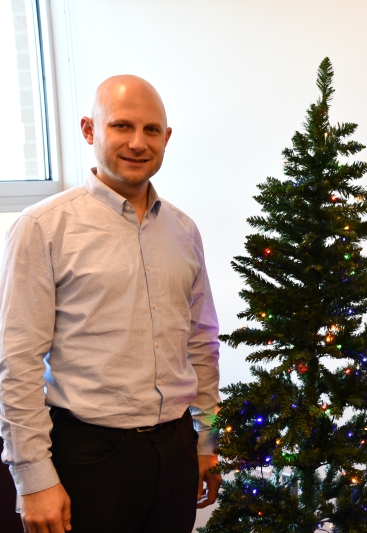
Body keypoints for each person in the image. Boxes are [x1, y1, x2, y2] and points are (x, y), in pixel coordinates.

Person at [0, 75, 222, 533]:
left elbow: (201, 342)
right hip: (90, 457)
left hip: (177, 448)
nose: (138, 143)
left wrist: (205, 441)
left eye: (151, 130)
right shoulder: (42, 227)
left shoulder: (184, 230)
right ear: (89, 130)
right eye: (121, 126)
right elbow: (16, 361)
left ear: (167, 137)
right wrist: (33, 477)